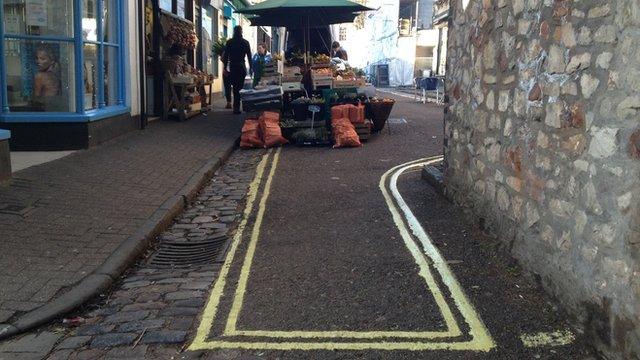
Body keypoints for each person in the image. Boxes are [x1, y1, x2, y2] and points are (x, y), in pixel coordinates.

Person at [222, 26, 252, 114]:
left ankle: (236, 107)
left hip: (233, 67)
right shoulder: (245, 42)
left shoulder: (229, 42)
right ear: (241, 32)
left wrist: (224, 68)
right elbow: (249, 56)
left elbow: (226, 56)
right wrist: (251, 68)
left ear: (234, 32)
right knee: (240, 87)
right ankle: (238, 106)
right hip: (241, 66)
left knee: (235, 88)